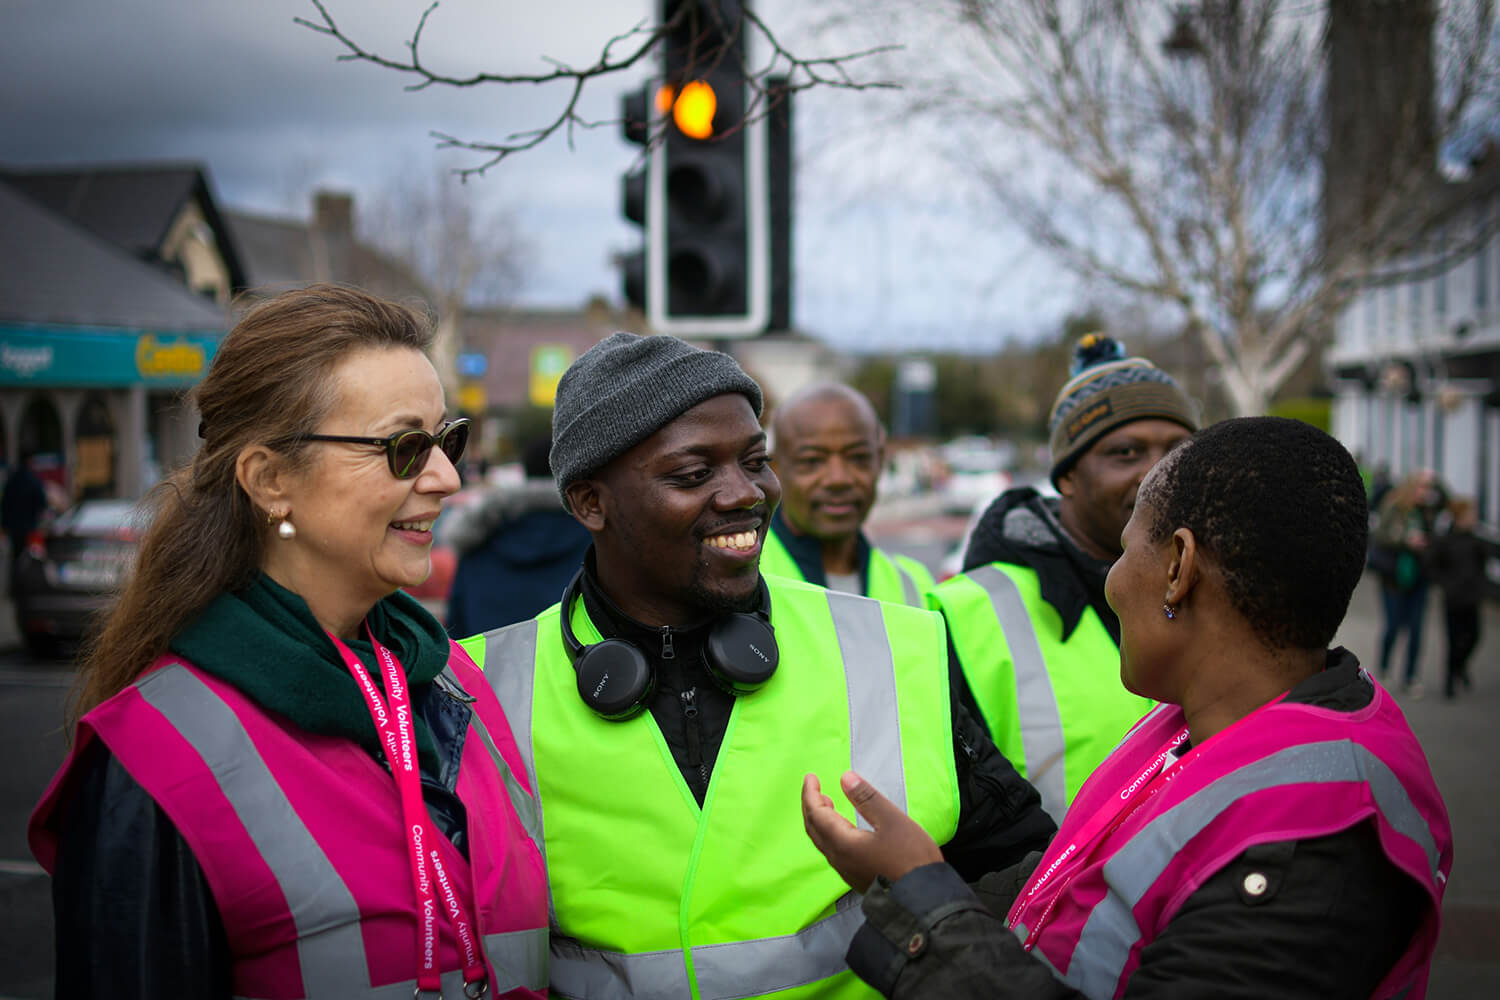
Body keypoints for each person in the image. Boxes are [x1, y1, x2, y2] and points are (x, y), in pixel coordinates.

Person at [460, 332, 1056, 998]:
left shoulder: (895, 645)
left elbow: (1033, 880)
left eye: (755, 461)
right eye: (694, 474)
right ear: (590, 503)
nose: (746, 493)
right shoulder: (478, 691)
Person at [803, 417, 1452, 1000]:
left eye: (1125, 547)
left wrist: (924, 901)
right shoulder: (1198, 727)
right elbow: (1076, 890)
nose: (1111, 577)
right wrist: (911, 879)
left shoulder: (1316, 834)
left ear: (1178, 567)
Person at [28, 285, 549, 999]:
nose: (447, 478)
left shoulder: (456, 683)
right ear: (269, 479)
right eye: (404, 448)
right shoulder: (153, 756)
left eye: (446, 440)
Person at [930, 334, 1197, 821]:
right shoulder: (967, 612)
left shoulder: (1220, 595)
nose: (1159, 474)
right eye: (1126, 453)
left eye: (1179, 452)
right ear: (1067, 475)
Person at [760, 381, 934, 606]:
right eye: (812, 461)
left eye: (858, 458)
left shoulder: (913, 585)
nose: (838, 479)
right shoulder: (741, 579)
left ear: (879, 461)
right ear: (775, 468)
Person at [445, 434, 592, 637]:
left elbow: (456, 627)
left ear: (524, 470)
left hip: (488, 657)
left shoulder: (479, 538)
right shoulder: (598, 540)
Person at [1371, 469, 1445, 696]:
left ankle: (1410, 676)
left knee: (1416, 628)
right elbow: (1380, 536)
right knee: (1393, 625)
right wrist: (1405, 540)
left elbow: (1448, 502)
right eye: (1421, 487)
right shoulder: (1394, 507)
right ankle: (1383, 667)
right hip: (1394, 576)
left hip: (1419, 577)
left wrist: (1435, 480)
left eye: (1427, 488)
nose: (1425, 492)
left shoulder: (1427, 511)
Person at [1428, 495, 1486, 699]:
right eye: (1470, 514)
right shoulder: (1446, 540)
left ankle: (1460, 666)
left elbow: (1482, 565)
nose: (1474, 518)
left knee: (1474, 636)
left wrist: (1481, 586)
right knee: (1453, 640)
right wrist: (1444, 584)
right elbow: (1432, 564)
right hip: (1453, 598)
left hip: (1471, 597)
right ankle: (1449, 680)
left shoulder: (1476, 540)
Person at [1, 451, 49, 581]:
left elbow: (5, 504)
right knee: (31, 555)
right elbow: (42, 503)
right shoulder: (33, 480)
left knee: (16, 555)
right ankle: (25, 580)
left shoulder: (12, 480)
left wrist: (5, 524)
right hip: (29, 525)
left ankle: (15, 580)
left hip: (14, 526)